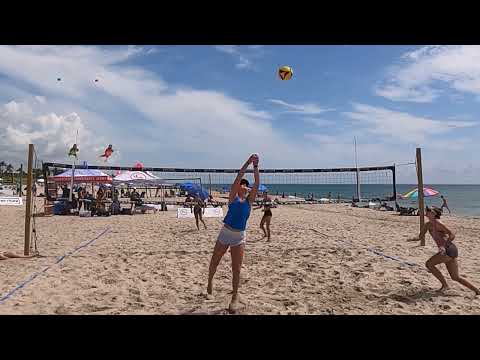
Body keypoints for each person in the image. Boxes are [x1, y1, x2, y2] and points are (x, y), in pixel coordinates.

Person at [207, 154, 260, 313]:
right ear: (237, 188)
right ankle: (209, 281)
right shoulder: (232, 198)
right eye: (241, 185)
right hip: (225, 233)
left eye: (245, 185)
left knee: (236, 269)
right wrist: (248, 162)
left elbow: (257, 182)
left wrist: (256, 166)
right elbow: (239, 176)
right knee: (214, 261)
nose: (243, 185)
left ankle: (235, 297)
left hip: (239, 236)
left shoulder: (249, 201)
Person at [408, 206, 480, 295]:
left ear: (434, 214)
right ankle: (477, 290)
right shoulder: (427, 225)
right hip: (446, 251)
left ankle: (445, 285)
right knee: (455, 277)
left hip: (449, 249)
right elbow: (420, 237)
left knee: (429, 264)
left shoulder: (439, 223)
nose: (426, 211)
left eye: (428, 210)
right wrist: (411, 239)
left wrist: (444, 246)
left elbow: (452, 234)